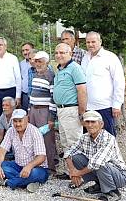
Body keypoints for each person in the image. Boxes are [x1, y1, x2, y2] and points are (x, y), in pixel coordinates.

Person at [64, 110, 126, 201]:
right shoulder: (84, 137)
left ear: (101, 124)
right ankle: (99, 184)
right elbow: (68, 152)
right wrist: (72, 171)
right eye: (87, 122)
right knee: (76, 158)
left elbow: (97, 163)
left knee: (100, 164)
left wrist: (77, 173)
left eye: (93, 122)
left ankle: (112, 191)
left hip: (120, 176)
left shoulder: (108, 138)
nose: (90, 125)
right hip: (101, 171)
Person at [0, 109, 49, 193]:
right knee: (3, 166)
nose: (17, 124)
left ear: (27, 119)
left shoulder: (35, 132)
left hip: (37, 168)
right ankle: (28, 182)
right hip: (18, 166)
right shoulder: (11, 131)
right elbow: (2, 150)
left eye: (20, 121)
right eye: (15, 121)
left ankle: (7, 183)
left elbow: (41, 157)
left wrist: (29, 167)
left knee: (34, 173)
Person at [53, 42, 87, 179]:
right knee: (66, 142)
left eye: (62, 52)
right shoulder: (60, 69)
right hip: (61, 111)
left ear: (70, 53)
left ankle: (79, 175)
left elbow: (82, 90)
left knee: (75, 143)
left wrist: (82, 112)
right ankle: (71, 172)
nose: (59, 55)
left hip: (71, 109)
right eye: (57, 53)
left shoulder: (75, 68)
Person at [81, 32, 125, 136]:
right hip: (87, 106)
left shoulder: (110, 57)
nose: (90, 44)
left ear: (100, 42)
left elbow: (119, 82)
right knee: (89, 137)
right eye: (88, 42)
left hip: (105, 106)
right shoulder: (85, 58)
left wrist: (117, 104)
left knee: (107, 137)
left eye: (93, 42)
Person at [28, 51, 58, 176]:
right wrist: (29, 110)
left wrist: (51, 118)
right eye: (36, 61)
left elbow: (53, 98)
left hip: (44, 110)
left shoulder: (50, 76)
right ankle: (39, 163)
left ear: (46, 62)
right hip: (34, 110)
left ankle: (51, 167)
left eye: (40, 61)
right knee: (34, 137)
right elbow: (32, 93)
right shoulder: (35, 74)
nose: (38, 63)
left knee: (47, 139)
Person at [0, 36, 22, 136]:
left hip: (10, 91)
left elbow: (18, 78)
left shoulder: (13, 58)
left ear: (5, 46)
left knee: (11, 116)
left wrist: (18, 95)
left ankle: (13, 138)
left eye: (0, 45)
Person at [19, 42, 35, 110]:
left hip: (36, 95)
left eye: (27, 50)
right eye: (23, 51)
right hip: (25, 95)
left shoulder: (39, 63)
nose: (25, 52)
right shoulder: (21, 64)